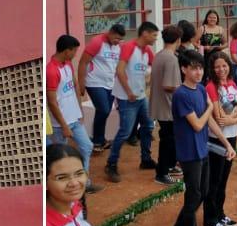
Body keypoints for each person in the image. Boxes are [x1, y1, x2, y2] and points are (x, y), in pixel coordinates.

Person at [171, 49, 225, 226]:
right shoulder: (181, 94)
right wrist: (210, 108)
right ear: (184, 69)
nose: (198, 72)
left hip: (203, 149)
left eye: (201, 68)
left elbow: (208, 121)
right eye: (194, 68)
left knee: (201, 193)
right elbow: (197, 124)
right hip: (189, 153)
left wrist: (226, 144)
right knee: (194, 195)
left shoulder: (201, 90)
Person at [105, 21, 159, 182]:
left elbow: (155, 66)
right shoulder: (129, 47)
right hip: (126, 98)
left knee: (148, 125)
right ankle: (111, 164)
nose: (156, 39)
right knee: (125, 131)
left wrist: (148, 82)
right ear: (145, 34)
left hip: (140, 96)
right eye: (154, 35)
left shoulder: (147, 51)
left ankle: (146, 159)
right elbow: (120, 71)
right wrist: (128, 92)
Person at [203, 49, 237, 226]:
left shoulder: (233, 84)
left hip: (232, 136)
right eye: (217, 66)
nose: (221, 69)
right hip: (217, 138)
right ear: (211, 68)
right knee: (215, 179)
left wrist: (232, 118)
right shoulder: (211, 87)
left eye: (224, 65)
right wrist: (232, 116)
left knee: (224, 178)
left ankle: (220, 213)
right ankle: (209, 218)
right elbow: (218, 118)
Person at [46, 34, 94, 187]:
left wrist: (79, 111)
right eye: (74, 51)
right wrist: (64, 126)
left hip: (75, 119)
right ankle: (65, 187)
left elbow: (74, 86)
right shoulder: (51, 71)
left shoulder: (68, 64)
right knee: (61, 159)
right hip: (60, 125)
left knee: (87, 146)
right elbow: (52, 103)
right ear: (67, 51)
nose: (75, 54)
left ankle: (84, 181)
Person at [78, 23, 126, 150]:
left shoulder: (118, 47)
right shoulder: (97, 42)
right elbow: (83, 62)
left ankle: (99, 140)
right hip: (94, 82)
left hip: (110, 83)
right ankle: (97, 140)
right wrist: (81, 83)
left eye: (120, 39)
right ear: (110, 33)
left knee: (104, 112)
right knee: (104, 109)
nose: (118, 42)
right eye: (116, 38)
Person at [151, 25, 184, 186]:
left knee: (168, 138)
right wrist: (184, 89)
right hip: (167, 106)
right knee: (168, 140)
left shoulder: (160, 55)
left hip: (161, 104)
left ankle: (169, 166)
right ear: (178, 40)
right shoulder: (171, 58)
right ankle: (162, 172)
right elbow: (168, 85)